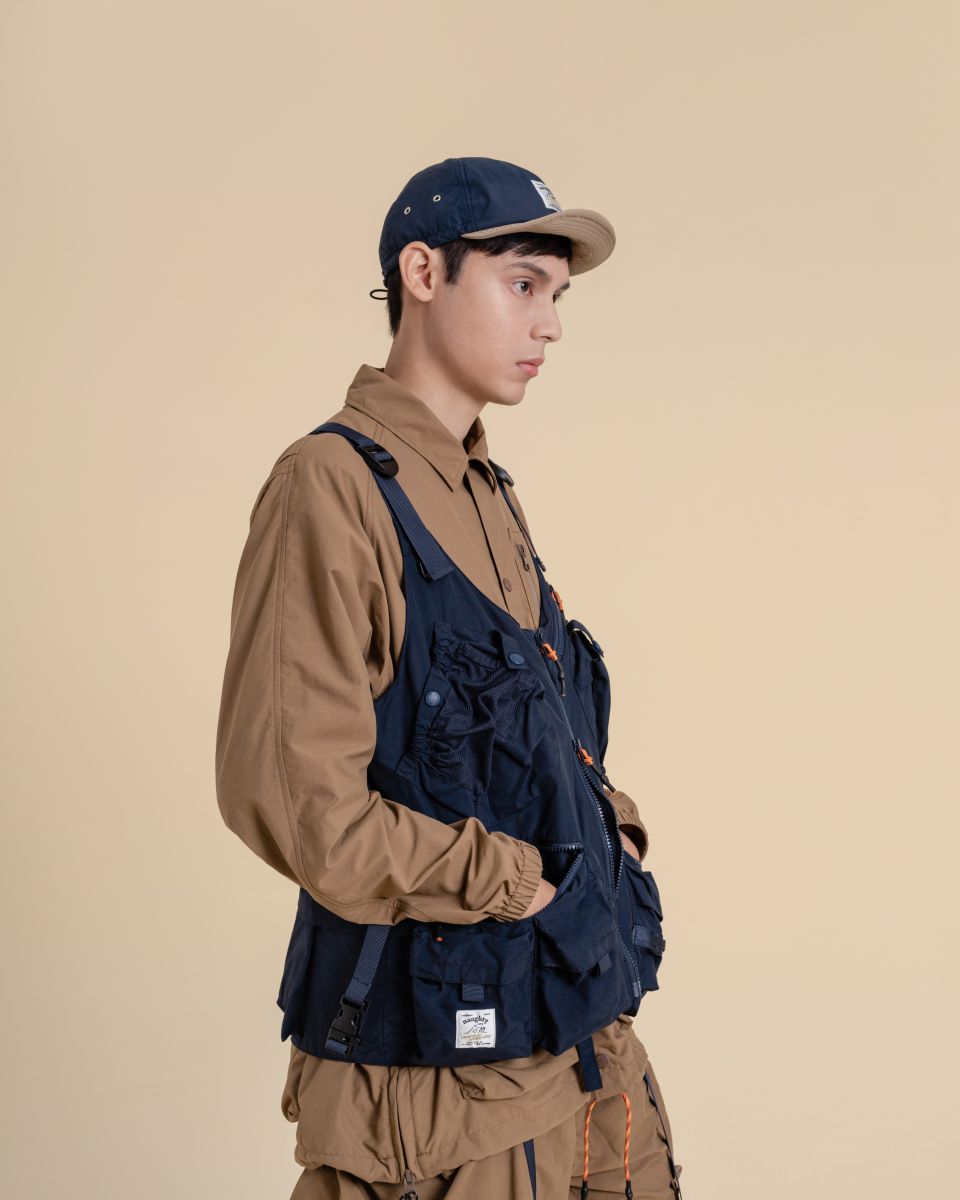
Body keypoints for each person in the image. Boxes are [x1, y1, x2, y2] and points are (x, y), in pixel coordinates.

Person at [215, 156, 683, 1199]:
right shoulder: (330, 488)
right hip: (444, 1100)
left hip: (583, 1047)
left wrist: (611, 839)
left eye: (556, 296)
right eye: (523, 283)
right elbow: (303, 810)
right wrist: (523, 883)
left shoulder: (484, 488)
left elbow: (529, 738)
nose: (549, 325)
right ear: (423, 273)